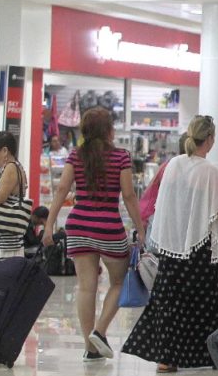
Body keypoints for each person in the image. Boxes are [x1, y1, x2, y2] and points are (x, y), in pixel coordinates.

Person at [122, 116, 218, 373]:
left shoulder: (172, 165)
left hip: (172, 246)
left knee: (169, 301)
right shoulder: (210, 171)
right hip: (199, 247)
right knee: (204, 303)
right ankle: (208, 355)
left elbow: (166, 206)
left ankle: (166, 358)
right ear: (211, 140)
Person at [43, 107, 144, 362]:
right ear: (109, 130)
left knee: (86, 287)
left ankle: (90, 345)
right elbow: (129, 196)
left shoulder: (76, 155)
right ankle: (99, 330)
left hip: (79, 224)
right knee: (119, 282)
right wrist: (140, 228)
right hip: (108, 225)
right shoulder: (121, 156)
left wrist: (48, 225)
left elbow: (62, 189)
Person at [0, 132, 30, 257]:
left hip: (4, 246)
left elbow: (0, 197)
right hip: (10, 243)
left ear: (4, 150)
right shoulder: (17, 167)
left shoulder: (10, 168)